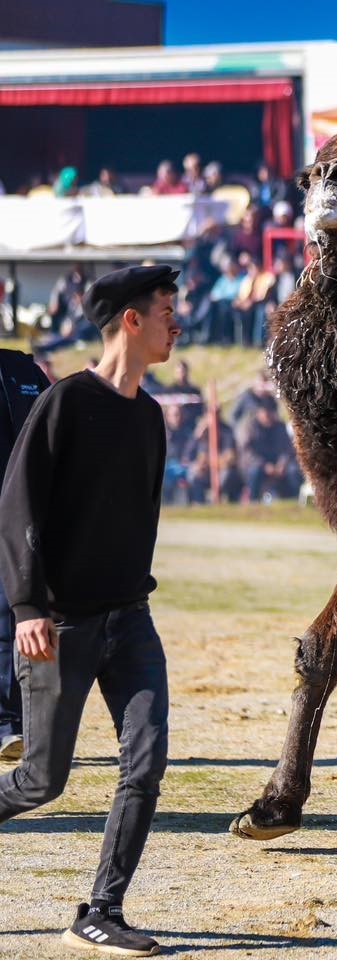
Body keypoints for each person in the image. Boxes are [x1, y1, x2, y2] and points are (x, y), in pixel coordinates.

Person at [0, 264, 179, 953]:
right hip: (60, 626)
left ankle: (102, 910)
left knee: (147, 761)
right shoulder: (65, 403)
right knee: (40, 781)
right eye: (166, 311)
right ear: (131, 320)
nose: (176, 324)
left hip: (131, 620)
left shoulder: (151, 417)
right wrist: (28, 607)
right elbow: (17, 507)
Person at [0, 350, 51, 760]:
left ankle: (9, 723)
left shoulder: (23, 370)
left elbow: (57, 429)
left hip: (18, 517)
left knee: (10, 618)